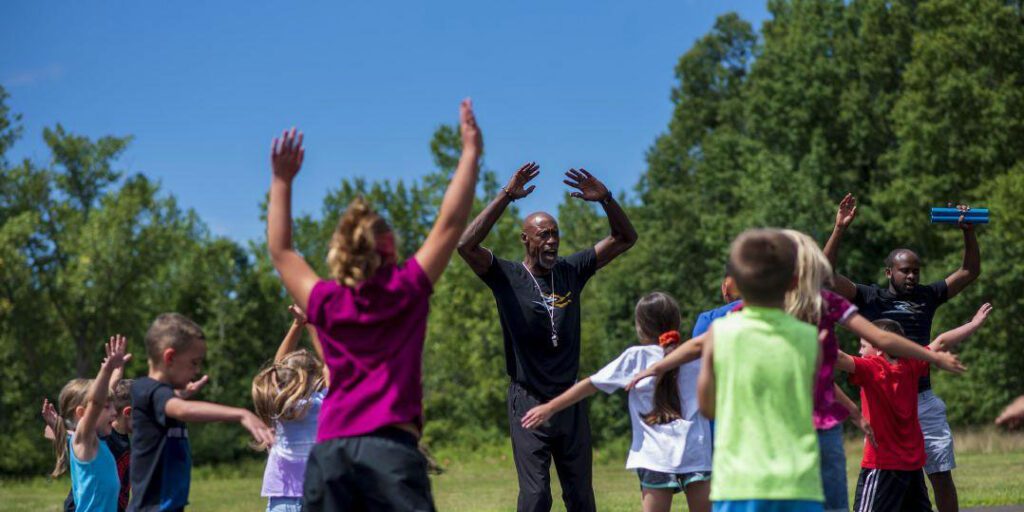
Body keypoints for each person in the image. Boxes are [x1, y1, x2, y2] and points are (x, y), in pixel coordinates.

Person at [266, 99, 482, 511]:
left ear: (341, 252)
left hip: (331, 455)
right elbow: (451, 223)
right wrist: (470, 152)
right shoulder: (407, 288)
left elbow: (281, 251)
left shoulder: (326, 299)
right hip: (390, 451)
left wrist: (281, 180)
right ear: (391, 249)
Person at [457, 162, 637, 511]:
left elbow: (625, 238)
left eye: (555, 234)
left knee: (581, 497)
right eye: (543, 235)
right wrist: (507, 196)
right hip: (528, 399)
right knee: (537, 496)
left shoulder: (571, 270)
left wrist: (607, 200)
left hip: (569, 397)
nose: (552, 240)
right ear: (526, 240)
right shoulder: (506, 275)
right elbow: (465, 245)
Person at [825, 194, 981, 512]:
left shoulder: (927, 295)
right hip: (886, 400)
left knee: (940, 474)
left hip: (922, 396)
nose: (911, 276)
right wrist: (839, 228)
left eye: (916, 271)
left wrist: (968, 231)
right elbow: (826, 277)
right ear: (889, 272)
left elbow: (969, 271)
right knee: (889, 472)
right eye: (905, 271)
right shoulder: (870, 297)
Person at [520, 292, 711, 512]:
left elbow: (589, 385)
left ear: (640, 328)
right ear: (677, 322)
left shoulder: (635, 358)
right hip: (696, 450)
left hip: (655, 457)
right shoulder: (696, 356)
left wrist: (549, 407)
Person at [697, 228, 824, 511]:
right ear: (794, 282)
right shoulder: (810, 338)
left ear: (733, 284)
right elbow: (809, 399)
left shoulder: (719, 333)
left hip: (739, 481)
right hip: (799, 481)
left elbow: (706, 406)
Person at [836, 306, 987, 511]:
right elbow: (941, 342)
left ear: (879, 348)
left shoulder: (871, 368)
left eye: (863, 346)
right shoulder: (912, 364)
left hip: (883, 465)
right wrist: (974, 324)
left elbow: (838, 358)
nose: (860, 352)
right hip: (912, 465)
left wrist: (810, 331)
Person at [129, 314, 274, 512]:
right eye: (194, 362)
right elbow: (182, 410)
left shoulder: (161, 395)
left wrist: (180, 394)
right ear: (169, 357)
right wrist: (241, 414)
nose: (197, 370)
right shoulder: (145, 388)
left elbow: (169, 402)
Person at [252, 305, 328, 512]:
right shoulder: (322, 402)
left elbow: (277, 367)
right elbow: (331, 363)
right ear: (314, 376)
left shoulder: (278, 403)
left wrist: (297, 324)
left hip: (282, 495)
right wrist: (311, 322)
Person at [49, 336, 130, 512]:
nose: (114, 412)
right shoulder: (85, 441)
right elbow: (96, 402)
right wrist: (106, 370)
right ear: (82, 414)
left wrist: (117, 373)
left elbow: (103, 396)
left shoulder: (98, 441)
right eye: (107, 407)